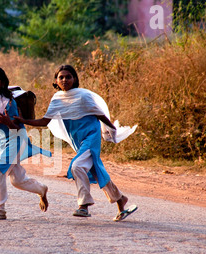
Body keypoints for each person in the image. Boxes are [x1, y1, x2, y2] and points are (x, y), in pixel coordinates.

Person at [15, 65, 138, 221]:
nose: (65, 80)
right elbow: (45, 121)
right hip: (78, 140)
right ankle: (120, 199)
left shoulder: (83, 96)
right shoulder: (57, 99)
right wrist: (24, 121)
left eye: (68, 77)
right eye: (61, 77)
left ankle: (83, 205)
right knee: (95, 169)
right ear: (56, 81)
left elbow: (99, 114)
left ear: (75, 79)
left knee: (77, 166)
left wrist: (112, 131)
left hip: (91, 136)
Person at [0, 66, 51, 220]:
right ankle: (42, 189)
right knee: (17, 181)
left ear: (3, 83)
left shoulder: (9, 102)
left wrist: (7, 122)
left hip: (16, 139)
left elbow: (18, 127)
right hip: (1, 142)